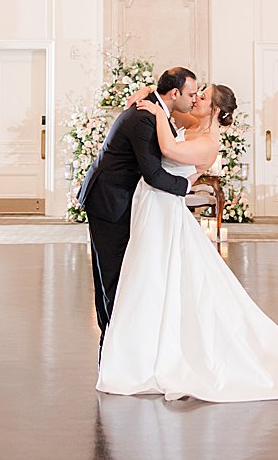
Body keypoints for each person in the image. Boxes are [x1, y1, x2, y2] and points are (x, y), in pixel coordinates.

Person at [96, 82, 278, 402]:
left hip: (164, 209)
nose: (195, 97)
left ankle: (157, 354)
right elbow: (169, 113)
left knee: (158, 275)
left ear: (213, 109)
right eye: (196, 92)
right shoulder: (193, 124)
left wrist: (156, 112)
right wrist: (147, 98)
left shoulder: (209, 143)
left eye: (203, 96)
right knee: (151, 278)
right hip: (152, 208)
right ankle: (142, 346)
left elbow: (169, 149)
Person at [77, 67, 203, 342]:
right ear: (174, 93)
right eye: (191, 94)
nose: (194, 99)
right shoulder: (144, 117)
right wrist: (188, 185)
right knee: (111, 271)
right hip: (108, 199)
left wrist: (146, 89)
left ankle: (121, 336)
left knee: (124, 270)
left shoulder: (155, 109)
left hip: (123, 197)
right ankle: (111, 341)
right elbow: (154, 174)